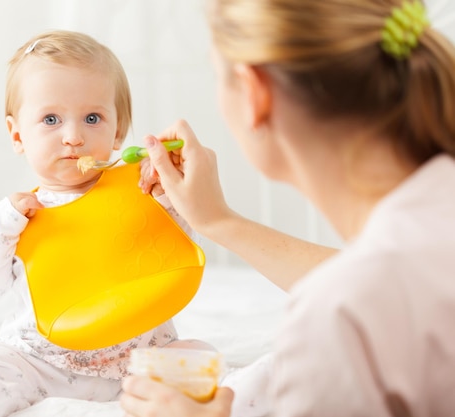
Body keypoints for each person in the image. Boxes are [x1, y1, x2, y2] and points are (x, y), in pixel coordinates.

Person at [121, 0, 455, 416]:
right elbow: (389, 283)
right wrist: (216, 221)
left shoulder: (336, 319)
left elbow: (358, 297)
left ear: (255, 93)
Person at [0, 30, 211, 417]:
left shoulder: (141, 188)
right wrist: (2, 227)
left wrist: (168, 195)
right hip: (43, 358)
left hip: (137, 355)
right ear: (17, 134)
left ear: (118, 130)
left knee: (199, 357)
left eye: (92, 118)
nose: (74, 137)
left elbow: (175, 251)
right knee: (0, 361)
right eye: (50, 119)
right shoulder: (18, 216)